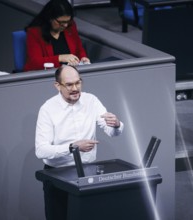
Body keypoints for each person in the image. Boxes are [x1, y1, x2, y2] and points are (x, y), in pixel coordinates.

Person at [35, 65, 124, 219]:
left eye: (78, 82)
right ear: (57, 86)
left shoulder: (91, 100)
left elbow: (111, 132)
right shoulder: (47, 109)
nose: (75, 88)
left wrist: (116, 124)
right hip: (57, 176)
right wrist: (73, 147)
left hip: (87, 172)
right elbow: (41, 150)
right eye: (69, 84)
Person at [24, 0, 90, 71]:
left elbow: (79, 49)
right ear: (50, 18)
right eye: (61, 22)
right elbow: (34, 63)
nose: (65, 25)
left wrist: (83, 58)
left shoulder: (70, 27)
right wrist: (60, 58)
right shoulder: (34, 33)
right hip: (48, 75)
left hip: (70, 73)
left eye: (68, 21)